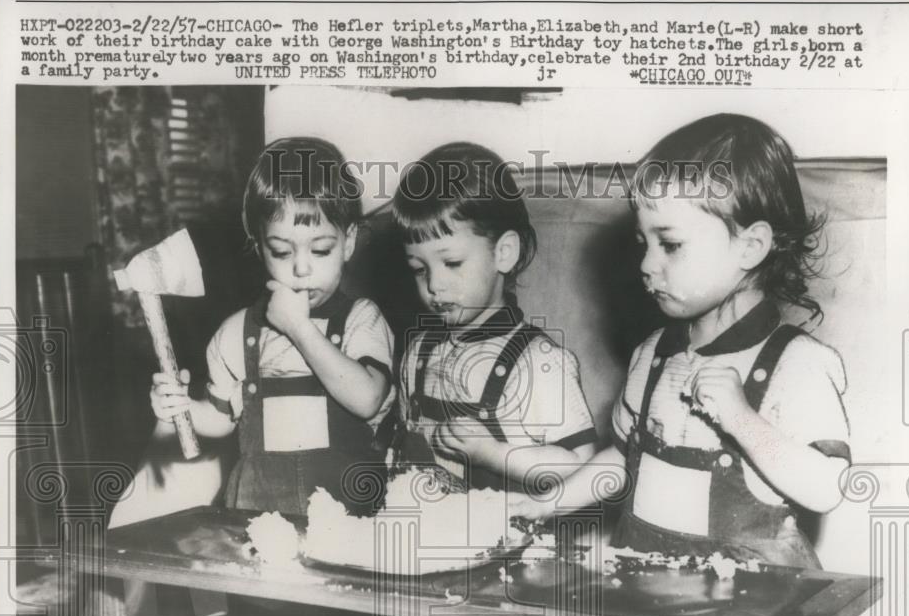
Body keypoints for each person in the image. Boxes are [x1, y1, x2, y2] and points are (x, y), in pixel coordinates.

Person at [512, 114, 850, 568]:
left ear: (750, 247)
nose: (646, 265)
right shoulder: (652, 354)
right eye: (642, 243)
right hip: (646, 592)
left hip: (751, 612)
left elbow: (826, 487)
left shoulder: (798, 364)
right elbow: (623, 458)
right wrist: (550, 501)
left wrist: (740, 419)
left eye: (669, 245)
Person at [150, 137, 395, 515]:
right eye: (282, 251)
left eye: (320, 249)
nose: (301, 268)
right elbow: (221, 420)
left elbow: (366, 400)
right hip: (257, 511)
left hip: (346, 515)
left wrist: (299, 328)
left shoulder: (362, 318)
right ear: (259, 247)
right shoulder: (236, 331)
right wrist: (179, 409)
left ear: (348, 243)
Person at [389, 141, 597, 493]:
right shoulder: (419, 351)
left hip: (506, 541)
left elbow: (580, 466)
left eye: (452, 263)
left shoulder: (540, 363)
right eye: (418, 269)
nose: (434, 285)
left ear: (504, 253)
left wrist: (495, 455)